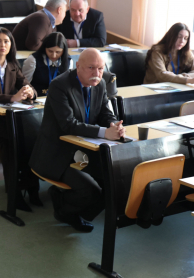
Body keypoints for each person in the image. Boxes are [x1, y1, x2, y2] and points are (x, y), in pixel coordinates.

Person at [29, 48, 125, 232]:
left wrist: (114, 126)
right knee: (91, 190)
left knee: (113, 183)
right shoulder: (59, 85)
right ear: (78, 66)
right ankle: (64, 211)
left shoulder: (100, 83)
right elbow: (68, 124)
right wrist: (104, 133)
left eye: (100, 68)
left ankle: (71, 207)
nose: (97, 73)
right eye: (91, 68)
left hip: (85, 149)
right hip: (58, 154)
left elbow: (105, 113)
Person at [23, 32, 71, 97]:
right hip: (37, 97)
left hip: (58, 98)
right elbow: (25, 84)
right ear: (45, 48)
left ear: (64, 51)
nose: (54, 55)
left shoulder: (68, 60)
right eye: (50, 51)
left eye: (58, 52)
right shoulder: (33, 60)